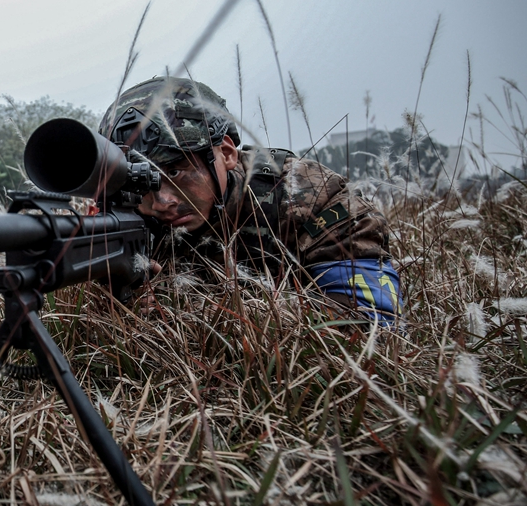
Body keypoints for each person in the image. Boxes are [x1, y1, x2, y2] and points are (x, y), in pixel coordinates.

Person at [97, 76, 402, 325]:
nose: (161, 201)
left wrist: (200, 313)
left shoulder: (310, 198)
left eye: (177, 171)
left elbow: (371, 323)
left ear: (226, 153)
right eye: (140, 181)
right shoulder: (126, 217)